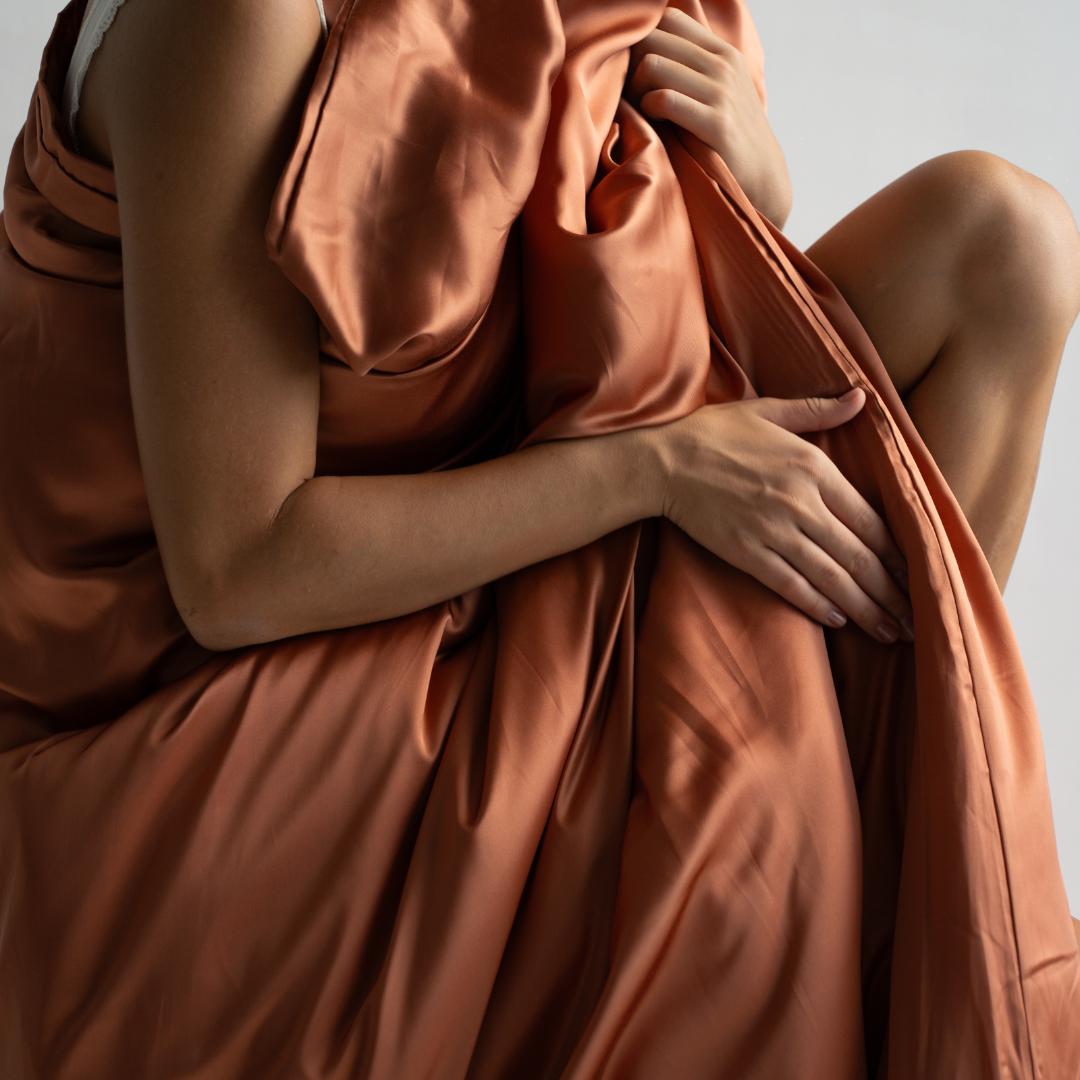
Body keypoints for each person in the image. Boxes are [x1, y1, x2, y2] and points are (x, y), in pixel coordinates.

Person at [1, 0, 1077, 1076]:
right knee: (751, 796)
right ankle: (828, 925)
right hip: (217, 686)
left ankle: (894, 908)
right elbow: (239, 572)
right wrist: (659, 471)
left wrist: (749, 186)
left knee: (1006, 245)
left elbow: (617, 336)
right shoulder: (234, 20)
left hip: (508, 526)